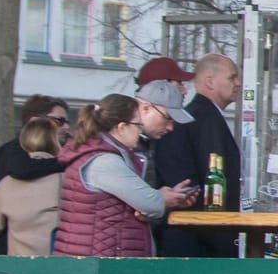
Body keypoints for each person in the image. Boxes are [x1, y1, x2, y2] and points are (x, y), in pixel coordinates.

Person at [53, 95, 199, 258]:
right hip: (97, 263)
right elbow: (150, 203)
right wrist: (162, 198)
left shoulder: (100, 155)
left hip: (94, 258)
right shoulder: (105, 161)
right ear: (121, 127)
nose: (140, 130)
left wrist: (161, 198)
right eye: (138, 125)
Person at [149, 56, 236, 257]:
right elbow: (182, 186)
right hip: (195, 243)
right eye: (177, 83)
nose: (184, 89)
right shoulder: (190, 122)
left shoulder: (197, 119)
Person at [0, 117, 65, 256]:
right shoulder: (68, 180)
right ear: (56, 142)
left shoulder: (6, 184)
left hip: (18, 269)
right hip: (61, 265)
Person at [0, 95, 69, 181]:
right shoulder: (13, 150)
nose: (67, 127)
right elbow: (22, 168)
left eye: (67, 122)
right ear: (34, 121)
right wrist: (69, 162)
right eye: (59, 121)